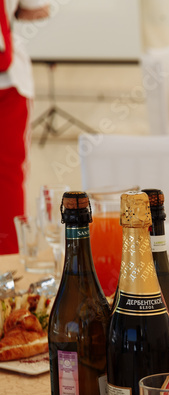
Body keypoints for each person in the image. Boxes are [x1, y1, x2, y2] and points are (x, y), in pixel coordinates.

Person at [0, 0, 49, 255]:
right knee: (6, 175)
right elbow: (38, 8)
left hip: (7, 80)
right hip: (7, 82)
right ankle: (7, 269)